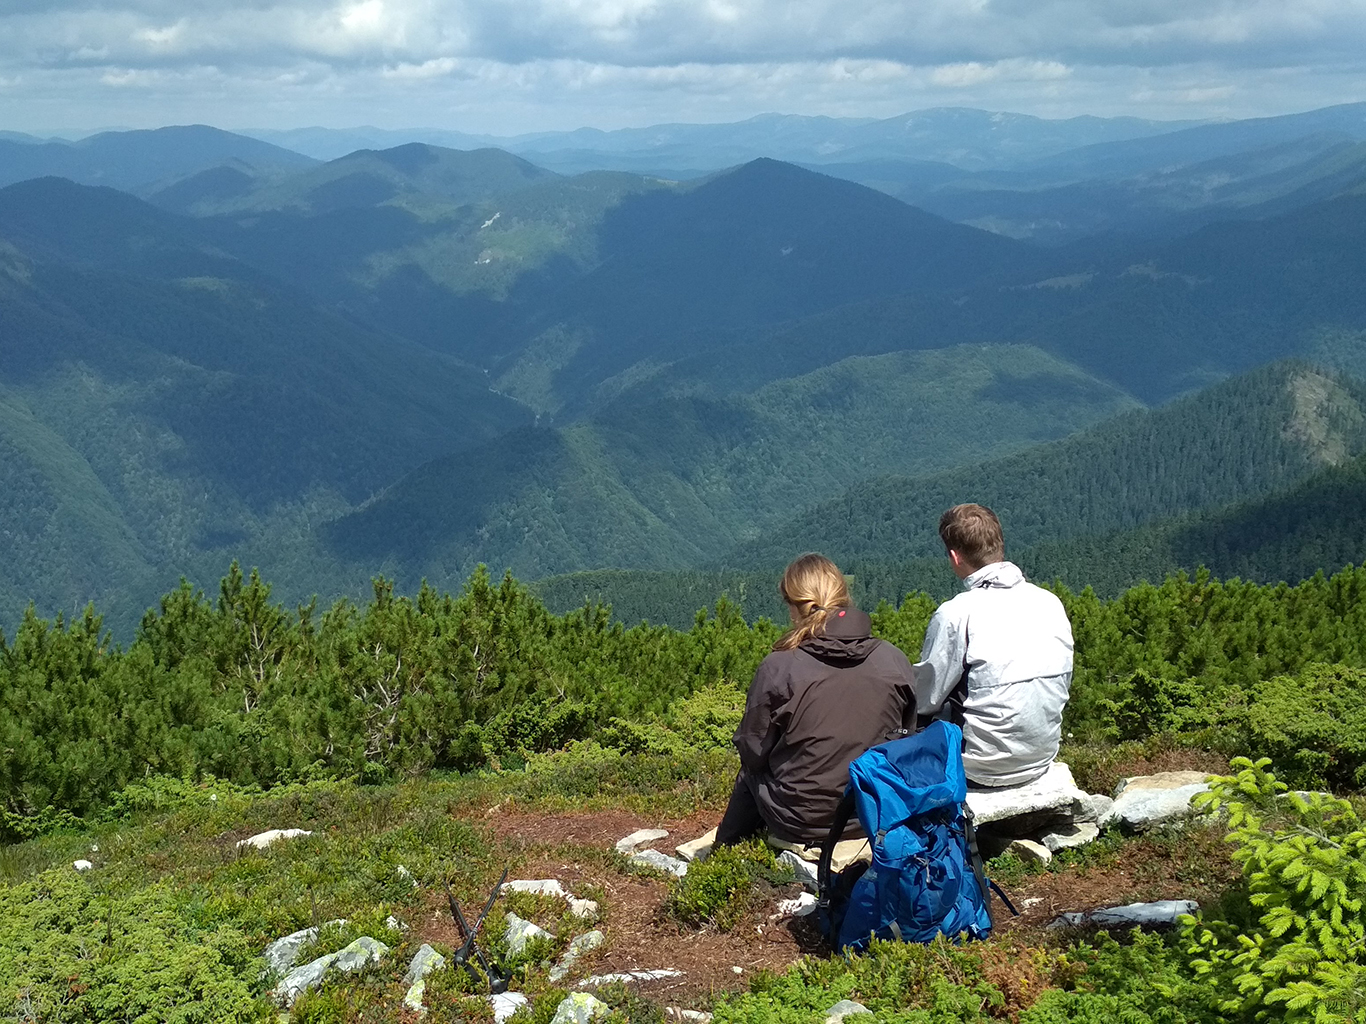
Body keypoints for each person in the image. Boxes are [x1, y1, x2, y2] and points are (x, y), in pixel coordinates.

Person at [714, 553, 917, 848]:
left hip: (798, 821)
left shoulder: (779, 666)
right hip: (871, 814)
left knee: (750, 772)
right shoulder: (894, 659)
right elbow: (905, 737)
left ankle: (724, 851)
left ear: (795, 607)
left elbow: (753, 750)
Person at [912, 504, 1074, 788]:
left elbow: (926, 698)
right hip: (1041, 756)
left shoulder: (957, 613)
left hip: (980, 768)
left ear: (954, 556)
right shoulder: (1050, 602)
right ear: (999, 544)